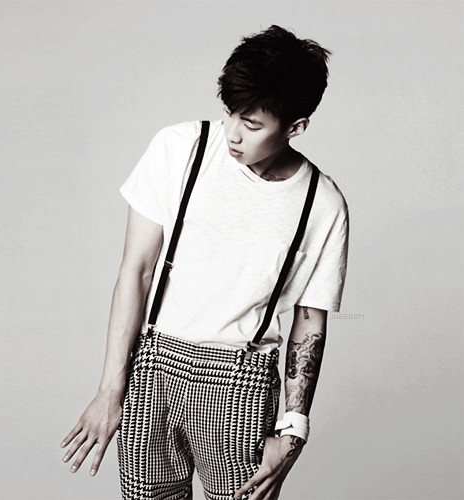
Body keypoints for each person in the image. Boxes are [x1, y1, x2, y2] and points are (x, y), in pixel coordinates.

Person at [61, 25, 349, 500]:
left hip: (241, 382)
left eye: (252, 125)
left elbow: (309, 319)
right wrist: (110, 390)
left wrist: (294, 429)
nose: (232, 134)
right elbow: (136, 271)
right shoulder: (179, 148)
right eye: (230, 112)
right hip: (153, 369)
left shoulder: (322, 203)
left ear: (295, 127)